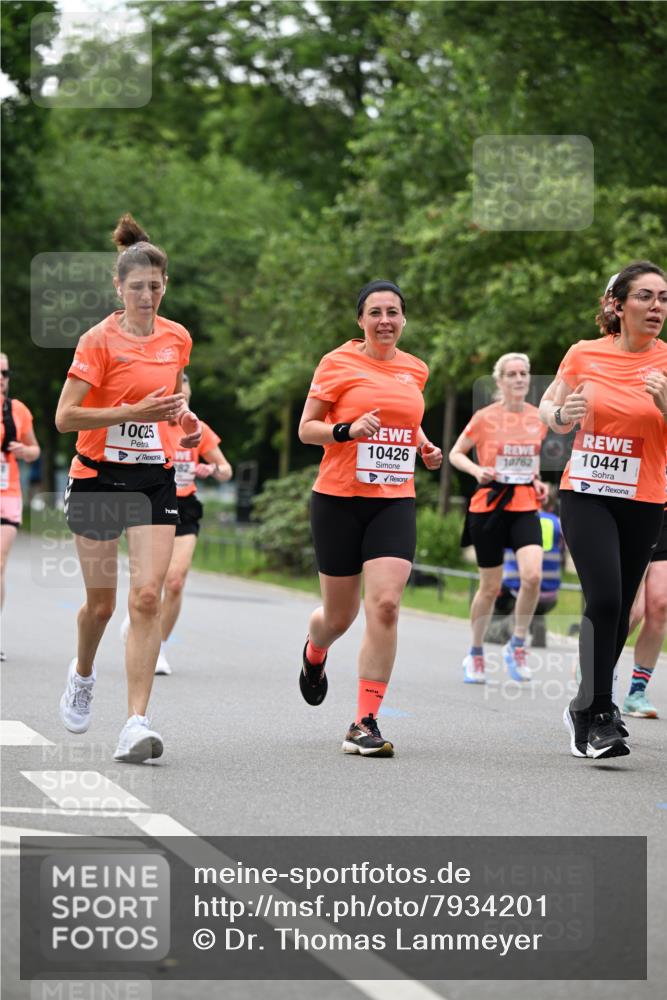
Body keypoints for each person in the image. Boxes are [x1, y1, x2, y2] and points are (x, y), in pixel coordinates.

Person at [55, 213, 201, 763]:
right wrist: (133, 410)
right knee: (101, 604)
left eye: (155, 287)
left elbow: (171, 402)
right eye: (137, 287)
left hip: (152, 479)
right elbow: (66, 418)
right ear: (118, 287)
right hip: (97, 479)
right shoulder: (97, 341)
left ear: (165, 287)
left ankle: (136, 723)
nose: (147, 296)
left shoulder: (177, 338)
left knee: (147, 597)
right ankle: (84, 674)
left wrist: (181, 423)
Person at [297, 279, 442, 757]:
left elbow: (406, 417)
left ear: (404, 319)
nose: (385, 320)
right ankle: (315, 653)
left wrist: (422, 444)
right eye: (376, 312)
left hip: (393, 500)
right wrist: (346, 429)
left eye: (394, 312)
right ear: (360, 320)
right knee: (339, 616)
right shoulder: (336, 363)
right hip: (338, 499)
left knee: (385, 605)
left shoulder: (416, 369)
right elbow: (307, 429)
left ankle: (364, 721)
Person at [540, 260, 667, 759]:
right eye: (646, 297)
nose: (657, 307)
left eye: (663, 299)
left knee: (616, 613)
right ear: (618, 305)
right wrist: (560, 414)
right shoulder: (583, 354)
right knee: (609, 600)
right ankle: (597, 714)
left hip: (643, 498)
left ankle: (586, 708)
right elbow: (549, 406)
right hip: (587, 491)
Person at [120, 373, 233, 674]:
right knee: (149, 584)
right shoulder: (150, 427)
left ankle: (158, 646)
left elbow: (226, 470)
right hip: (151, 503)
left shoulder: (200, 429)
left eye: (185, 385)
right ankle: (139, 620)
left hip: (185, 506)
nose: (180, 392)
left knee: (175, 580)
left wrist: (213, 469)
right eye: (174, 390)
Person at [449, 353, 549, 683]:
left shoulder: (538, 418)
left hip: (524, 504)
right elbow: (456, 453)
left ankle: (517, 645)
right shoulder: (484, 417)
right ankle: (475, 653)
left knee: (532, 576)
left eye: (524, 373)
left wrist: (537, 481)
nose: (520, 379)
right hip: (488, 507)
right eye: (512, 374)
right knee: (490, 587)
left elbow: (530, 460)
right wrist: (478, 471)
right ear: (500, 381)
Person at [1, 352, 41, 660]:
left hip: (7, 493)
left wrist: (23, 450)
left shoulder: (17, 411)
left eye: (5, 373)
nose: (2, 378)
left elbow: (34, 450)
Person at [486, 488, 563, 648]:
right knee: (537, 604)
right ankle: (539, 633)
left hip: (517, 589)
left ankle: (498, 632)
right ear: (551, 506)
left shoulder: (519, 522)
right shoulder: (558, 523)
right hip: (551, 594)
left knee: (499, 597)